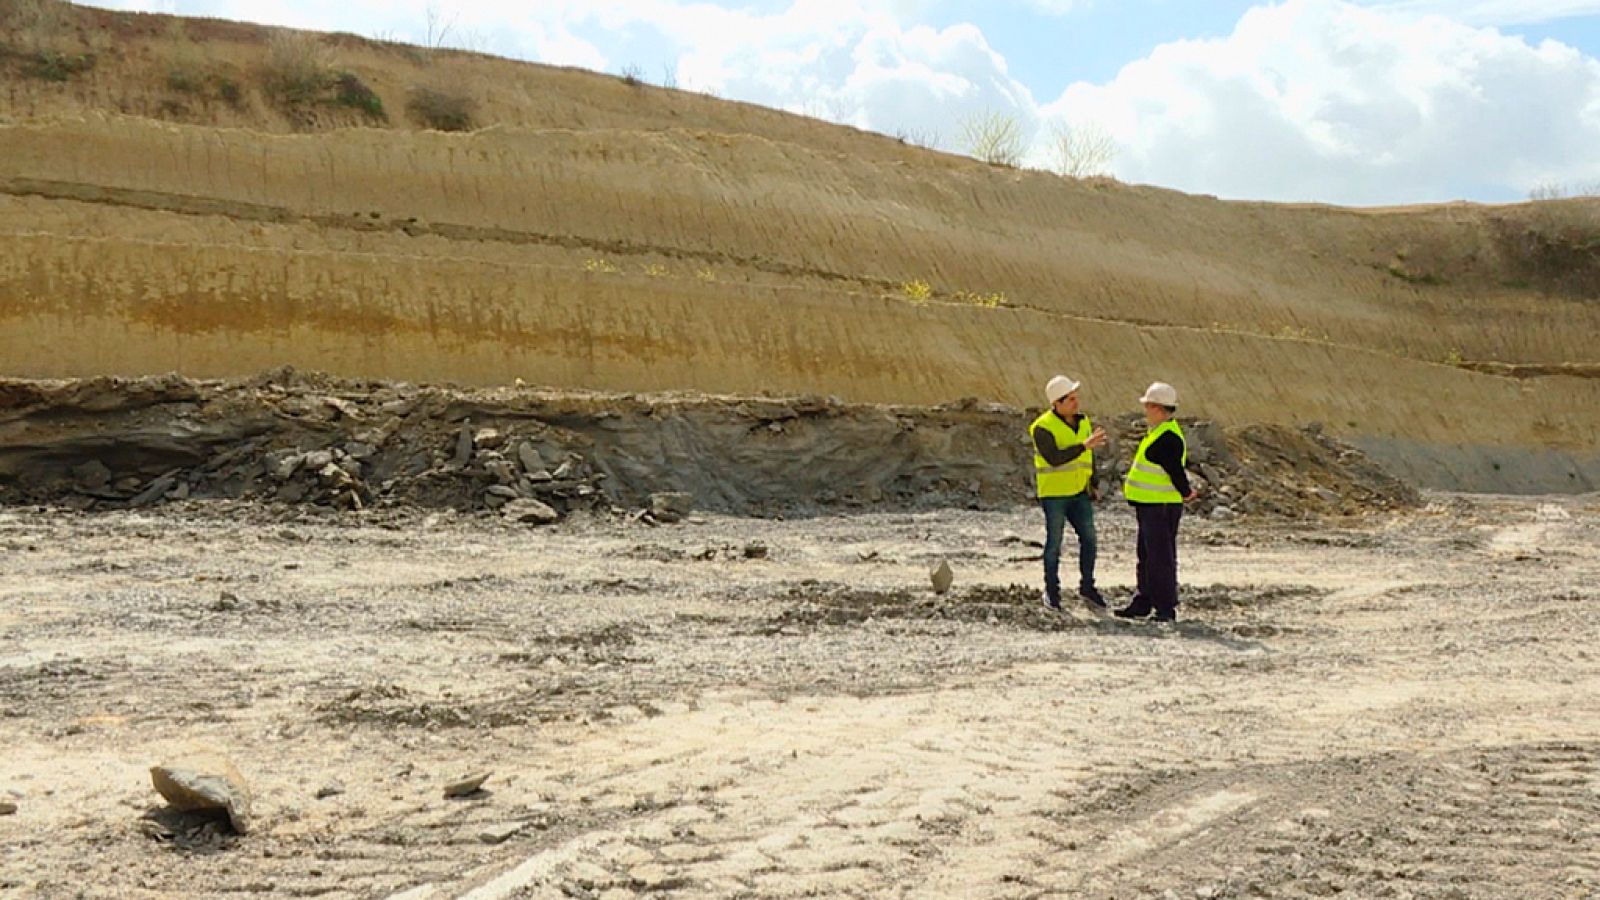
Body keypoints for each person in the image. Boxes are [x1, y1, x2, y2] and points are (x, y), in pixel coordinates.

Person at [1115, 382, 1197, 623]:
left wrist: (1186, 492)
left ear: (1159, 409)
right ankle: (1144, 601)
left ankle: (1164, 608)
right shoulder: (1160, 433)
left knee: (1160, 557)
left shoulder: (1167, 437)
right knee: (1147, 555)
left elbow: (1174, 470)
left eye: (1149, 406)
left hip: (1160, 506)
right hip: (1150, 505)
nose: (1146, 411)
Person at [1030, 375, 1109, 612]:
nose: (1076, 403)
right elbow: (1054, 458)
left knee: (1090, 539)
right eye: (1071, 399)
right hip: (1054, 494)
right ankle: (1052, 591)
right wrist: (1085, 445)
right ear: (1057, 403)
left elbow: (1088, 457)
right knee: (1054, 543)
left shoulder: (1083, 422)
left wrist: (1093, 482)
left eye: (1076, 398)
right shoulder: (1042, 427)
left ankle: (1088, 587)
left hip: (1079, 492)